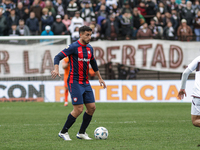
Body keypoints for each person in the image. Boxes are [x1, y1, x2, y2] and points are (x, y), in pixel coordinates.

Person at [51, 26, 106, 141]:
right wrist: (56, 69)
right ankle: (63, 132)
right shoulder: (73, 47)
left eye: (90, 35)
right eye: (87, 35)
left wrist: (100, 78)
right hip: (74, 81)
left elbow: (94, 63)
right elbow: (58, 57)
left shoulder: (90, 48)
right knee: (78, 109)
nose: (89, 37)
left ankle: (81, 133)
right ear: (80, 35)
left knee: (91, 108)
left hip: (85, 82)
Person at [178, 56, 200, 128]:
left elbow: (185, 73)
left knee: (196, 120)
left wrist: (182, 88)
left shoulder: (198, 59)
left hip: (198, 95)